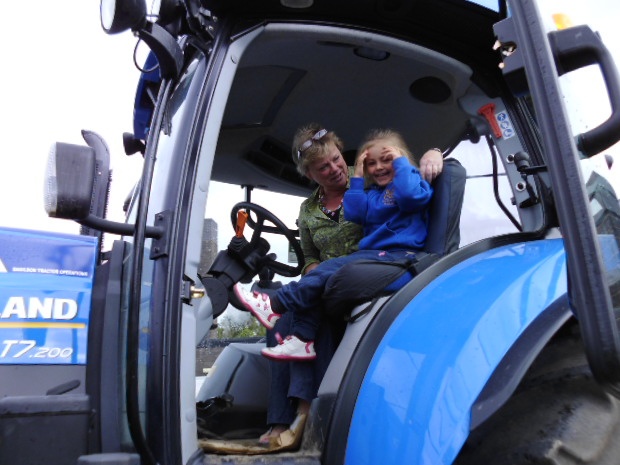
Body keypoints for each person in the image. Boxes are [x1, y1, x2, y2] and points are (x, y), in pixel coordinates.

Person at [247, 125, 443, 448]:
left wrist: (434, 151)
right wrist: (313, 271)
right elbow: (307, 256)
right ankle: (280, 418)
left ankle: (309, 413)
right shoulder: (309, 209)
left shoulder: (373, 177)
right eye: (324, 167)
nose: (335, 168)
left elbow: (406, 170)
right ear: (310, 174)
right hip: (325, 278)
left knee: (308, 306)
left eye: (338, 159)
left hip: (361, 276)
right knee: (283, 319)